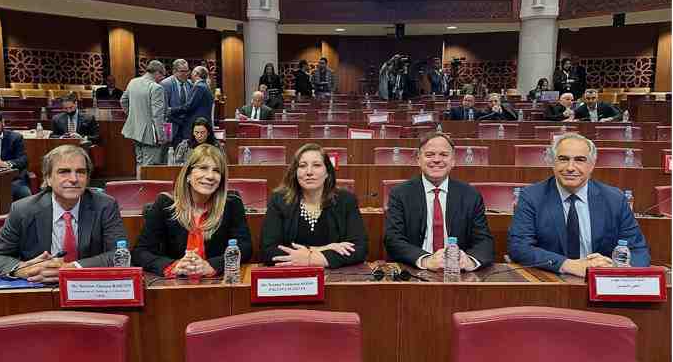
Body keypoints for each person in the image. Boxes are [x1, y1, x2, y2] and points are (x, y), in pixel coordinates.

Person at [508, 133, 650, 277]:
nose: (570, 167)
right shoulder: (532, 196)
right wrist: (569, 265)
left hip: (603, 279)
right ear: (553, 162)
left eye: (580, 160)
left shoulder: (614, 199)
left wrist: (616, 268)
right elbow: (520, 247)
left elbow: (637, 249)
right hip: (552, 279)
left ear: (592, 165)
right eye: (563, 159)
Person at [0, 145, 127, 281]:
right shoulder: (23, 209)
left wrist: (71, 268)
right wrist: (23, 269)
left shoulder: (105, 205)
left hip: (88, 287)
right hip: (38, 287)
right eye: (64, 172)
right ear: (48, 178)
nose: (73, 179)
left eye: (81, 172)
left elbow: (118, 253)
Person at [132, 144, 252, 277]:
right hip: (175, 284)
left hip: (216, 283)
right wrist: (173, 266)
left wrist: (213, 265)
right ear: (188, 175)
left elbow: (245, 248)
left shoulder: (231, 203)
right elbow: (140, 252)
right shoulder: (165, 204)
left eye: (217, 171)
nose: (210, 176)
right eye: (203, 168)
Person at [384, 132, 494, 271]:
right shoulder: (400, 194)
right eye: (429, 155)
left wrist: (469, 261)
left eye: (443, 155)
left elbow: (484, 241)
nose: (437, 160)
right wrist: (426, 260)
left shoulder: (470, 195)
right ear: (418, 159)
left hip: (457, 273)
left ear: (453, 160)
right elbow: (393, 240)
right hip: (415, 270)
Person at [261, 143, 368, 268]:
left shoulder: (346, 200)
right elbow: (268, 251)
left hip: (333, 277)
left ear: (327, 172)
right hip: (292, 279)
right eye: (302, 166)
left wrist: (310, 259)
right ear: (295, 172)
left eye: (316, 165)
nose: (309, 172)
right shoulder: (279, 200)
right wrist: (323, 249)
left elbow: (359, 250)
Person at [121, 60, 168, 171]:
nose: (162, 78)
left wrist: (132, 115)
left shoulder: (133, 82)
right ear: (157, 72)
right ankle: (145, 187)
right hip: (150, 134)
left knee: (140, 162)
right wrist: (161, 136)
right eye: (162, 75)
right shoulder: (157, 88)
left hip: (134, 130)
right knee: (149, 167)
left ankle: (140, 186)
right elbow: (157, 115)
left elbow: (123, 101)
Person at [168, 65, 214, 143]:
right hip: (203, 125)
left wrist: (171, 110)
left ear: (196, 74)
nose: (189, 75)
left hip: (197, 126)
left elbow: (189, 107)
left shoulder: (199, 87)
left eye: (191, 73)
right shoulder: (205, 86)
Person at [161, 59, 192, 146]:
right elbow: (164, 110)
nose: (186, 74)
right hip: (169, 126)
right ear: (174, 71)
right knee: (168, 153)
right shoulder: (165, 84)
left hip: (185, 127)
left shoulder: (190, 84)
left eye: (187, 71)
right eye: (182, 71)